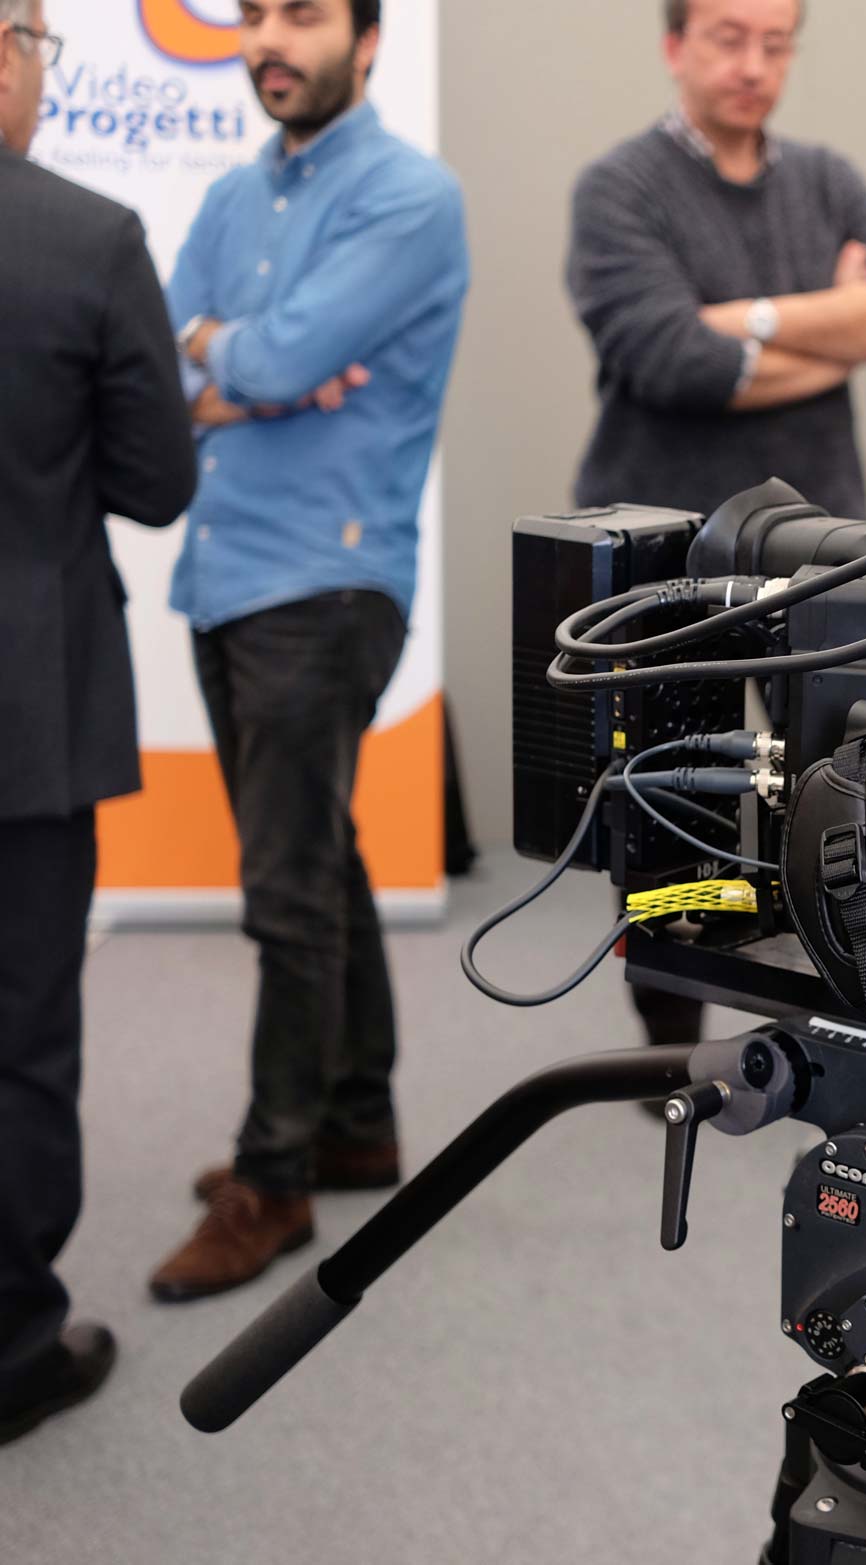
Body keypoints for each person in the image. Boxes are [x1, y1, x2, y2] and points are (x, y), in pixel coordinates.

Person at [148, 0, 469, 1302]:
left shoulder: (411, 196)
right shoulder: (232, 196)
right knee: (318, 856)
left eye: (304, 14)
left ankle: (273, 1177)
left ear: (367, 39)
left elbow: (270, 357)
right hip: (224, 572)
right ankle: (355, 1122)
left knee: (284, 887)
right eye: (255, 14)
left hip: (328, 581)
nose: (271, 38)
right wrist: (237, 365)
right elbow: (161, 363)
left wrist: (235, 355)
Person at [567, 0, 866, 1059]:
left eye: (775, 41)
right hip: (667, 551)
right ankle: (669, 1043)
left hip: (820, 546)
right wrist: (829, 325)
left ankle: (818, 1041)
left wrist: (744, 322)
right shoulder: (620, 187)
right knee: (666, 806)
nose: (752, 63)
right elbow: (670, 359)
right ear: (675, 45)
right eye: (727, 36)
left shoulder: (828, 178)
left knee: (832, 792)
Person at [0, 0, 200, 1442]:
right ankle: (12, 1343)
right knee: (18, 1030)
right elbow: (155, 481)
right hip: (26, 708)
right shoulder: (86, 238)